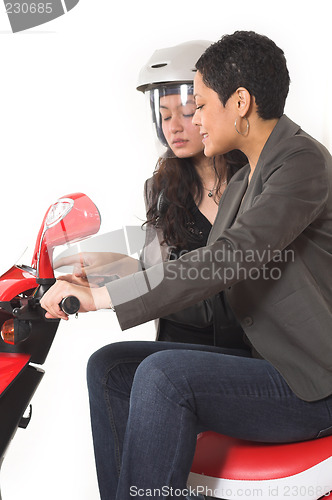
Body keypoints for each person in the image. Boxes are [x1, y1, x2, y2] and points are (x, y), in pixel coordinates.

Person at [41, 30, 332, 500]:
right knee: (111, 367)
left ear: (240, 102)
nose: (191, 120)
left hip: (311, 384)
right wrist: (100, 274)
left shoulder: (301, 162)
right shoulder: (245, 182)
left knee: (165, 376)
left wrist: (102, 296)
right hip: (265, 364)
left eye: (198, 104)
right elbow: (193, 269)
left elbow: (226, 260)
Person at [55, 40, 247, 347]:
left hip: (241, 342)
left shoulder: (255, 181)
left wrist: (110, 290)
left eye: (186, 112)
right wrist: (115, 265)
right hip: (178, 338)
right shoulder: (161, 188)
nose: (174, 128)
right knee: (106, 364)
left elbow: (228, 286)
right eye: (164, 115)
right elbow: (159, 271)